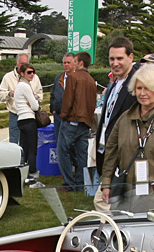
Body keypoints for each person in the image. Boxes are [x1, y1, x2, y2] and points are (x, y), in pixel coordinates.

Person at [99, 64, 154, 208]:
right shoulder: (124, 119)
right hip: (127, 194)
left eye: (148, 88)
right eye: (139, 88)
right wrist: (106, 183)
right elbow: (111, 152)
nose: (142, 93)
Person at [95, 36, 141, 177]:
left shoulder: (138, 85)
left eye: (120, 58)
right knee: (102, 198)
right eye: (112, 59)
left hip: (126, 158)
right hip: (107, 152)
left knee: (102, 199)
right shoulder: (113, 84)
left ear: (130, 57)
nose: (115, 63)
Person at [58, 51, 97, 192]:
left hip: (72, 120)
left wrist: (63, 116)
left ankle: (69, 183)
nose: (72, 63)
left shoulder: (73, 77)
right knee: (82, 155)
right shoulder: (92, 80)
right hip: (85, 123)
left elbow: (68, 101)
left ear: (80, 63)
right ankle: (81, 183)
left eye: (74, 61)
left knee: (63, 152)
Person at [0, 54, 41, 145]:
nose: (24, 66)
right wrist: (9, 94)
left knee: (29, 143)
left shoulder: (34, 77)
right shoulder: (8, 77)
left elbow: (40, 94)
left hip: (30, 116)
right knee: (14, 142)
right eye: (22, 63)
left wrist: (34, 97)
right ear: (17, 63)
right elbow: (0, 95)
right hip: (15, 114)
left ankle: (25, 159)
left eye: (26, 63)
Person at [14, 62, 44, 188]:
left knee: (25, 149)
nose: (32, 75)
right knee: (32, 150)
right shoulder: (24, 86)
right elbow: (36, 105)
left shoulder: (19, 87)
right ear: (22, 73)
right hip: (28, 119)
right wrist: (34, 99)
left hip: (21, 119)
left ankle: (24, 175)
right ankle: (33, 175)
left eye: (33, 72)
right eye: (29, 72)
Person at [51, 53, 74, 148]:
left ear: (74, 63)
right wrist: (53, 109)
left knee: (71, 145)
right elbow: (53, 94)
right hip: (58, 116)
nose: (66, 65)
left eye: (68, 62)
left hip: (72, 118)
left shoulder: (79, 78)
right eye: (64, 62)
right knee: (59, 145)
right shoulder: (58, 78)